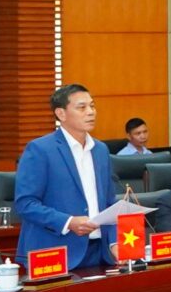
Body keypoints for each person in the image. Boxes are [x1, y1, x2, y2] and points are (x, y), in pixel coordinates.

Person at [13, 83, 120, 271]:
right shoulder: (40, 149)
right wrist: (68, 222)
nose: (91, 112)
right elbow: (25, 203)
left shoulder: (101, 150)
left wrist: (114, 242)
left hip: (100, 252)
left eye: (92, 106)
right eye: (82, 107)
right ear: (61, 114)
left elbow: (109, 203)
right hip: (56, 252)